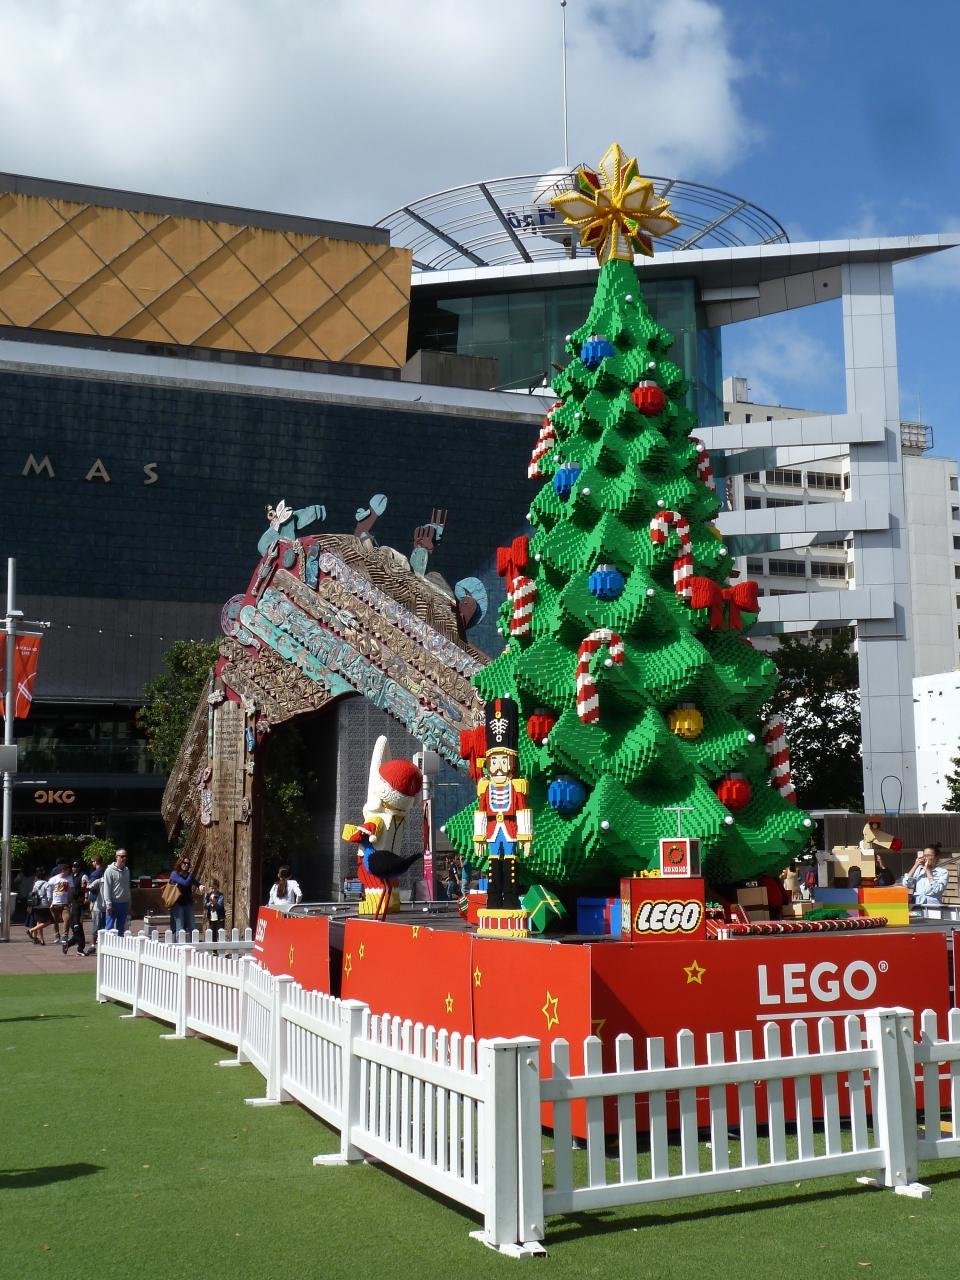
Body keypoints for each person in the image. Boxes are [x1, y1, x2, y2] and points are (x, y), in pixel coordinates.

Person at [168, 855, 200, 938]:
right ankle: (180, 945)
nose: (186, 865)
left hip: (188, 903)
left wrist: (200, 886)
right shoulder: (174, 874)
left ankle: (193, 945)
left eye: (188, 863)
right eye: (184, 863)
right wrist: (191, 876)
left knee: (192, 926)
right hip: (177, 904)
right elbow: (184, 883)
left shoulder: (189, 875)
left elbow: (197, 883)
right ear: (180, 863)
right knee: (180, 927)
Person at [101, 849, 131, 935]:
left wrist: (129, 903)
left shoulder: (127, 870)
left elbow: (127, 887)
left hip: (124, 903)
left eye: (125, 856)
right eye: (122, 856)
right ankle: (107, 943)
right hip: (113, 903)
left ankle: (120, 942)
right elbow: (107, 888)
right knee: (109, 928)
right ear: (116, 857)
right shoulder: (109, 871)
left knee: (121, 928)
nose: (124, 858)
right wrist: (108, 904)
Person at [62, 860, 88, 956]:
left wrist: (85, 897)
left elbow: (85, 889)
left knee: (77, 927)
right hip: (72, 904)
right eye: (73, 866)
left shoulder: (83, 876)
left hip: (79, 904)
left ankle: (76, 947)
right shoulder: (70, 877)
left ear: (79, 867)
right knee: (75, 927)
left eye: (76, 867)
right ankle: (77, 948)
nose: (74, 868)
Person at [46, 862, 75, 944]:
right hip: (54, 903)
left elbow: (71, 890)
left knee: (67, 919)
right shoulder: (53, 879)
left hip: (65, 903)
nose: (69, 871)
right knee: (54, 920)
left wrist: (70, 900)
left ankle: (65, 935)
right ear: (63, 870)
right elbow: (49, 890)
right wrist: (50, 902)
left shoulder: (69, 878)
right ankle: (56, 935)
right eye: (67, 870)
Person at [86, 855, 106, 952]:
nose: (92, 863)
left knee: (96, 924)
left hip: (97, 901)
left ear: (95, 862)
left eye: (92, 861)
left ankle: (93, 945)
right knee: (104, 925)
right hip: (106, 902)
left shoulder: (95, 874)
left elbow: (91, 888)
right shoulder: (105, 871)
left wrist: (91, 901)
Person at [26, 867, 51, 945]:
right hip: (44, 905)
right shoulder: (47, 884)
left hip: (36, 905)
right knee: (48, 921)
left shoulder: (35, 883)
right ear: (45, 876)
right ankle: (31, 930)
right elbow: (49, 896)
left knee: (39, 922)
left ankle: (42, 940)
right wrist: (50, 904)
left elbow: (33, 893)